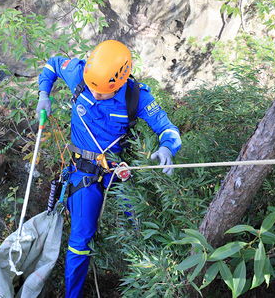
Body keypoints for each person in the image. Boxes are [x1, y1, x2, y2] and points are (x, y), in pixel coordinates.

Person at [35, 39, 181, 297]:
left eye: (102, 92)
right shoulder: (81, 74)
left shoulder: (136, 96)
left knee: (137, 229)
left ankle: (145, 285)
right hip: (83, 172)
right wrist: (43, 95)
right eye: (92, 89)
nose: (95, 94)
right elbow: (52, 65)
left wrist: (167, 147)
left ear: (121, 81)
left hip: (117, 173)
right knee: (80, 239)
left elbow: (168, 128)